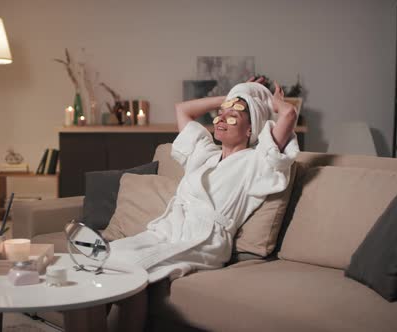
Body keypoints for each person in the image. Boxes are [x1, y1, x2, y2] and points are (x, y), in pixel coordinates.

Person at [105, 77, 300, 331]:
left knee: (132, 274)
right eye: (221, 115)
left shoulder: (256, 162)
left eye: (233, 117)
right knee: (105, 259)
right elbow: (183, 109)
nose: (221, 119)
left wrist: (271, 103)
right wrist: (232, 97)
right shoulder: (205, 155)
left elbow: (289, 114)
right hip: (170, 230)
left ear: (251, 129)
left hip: (206, 239)